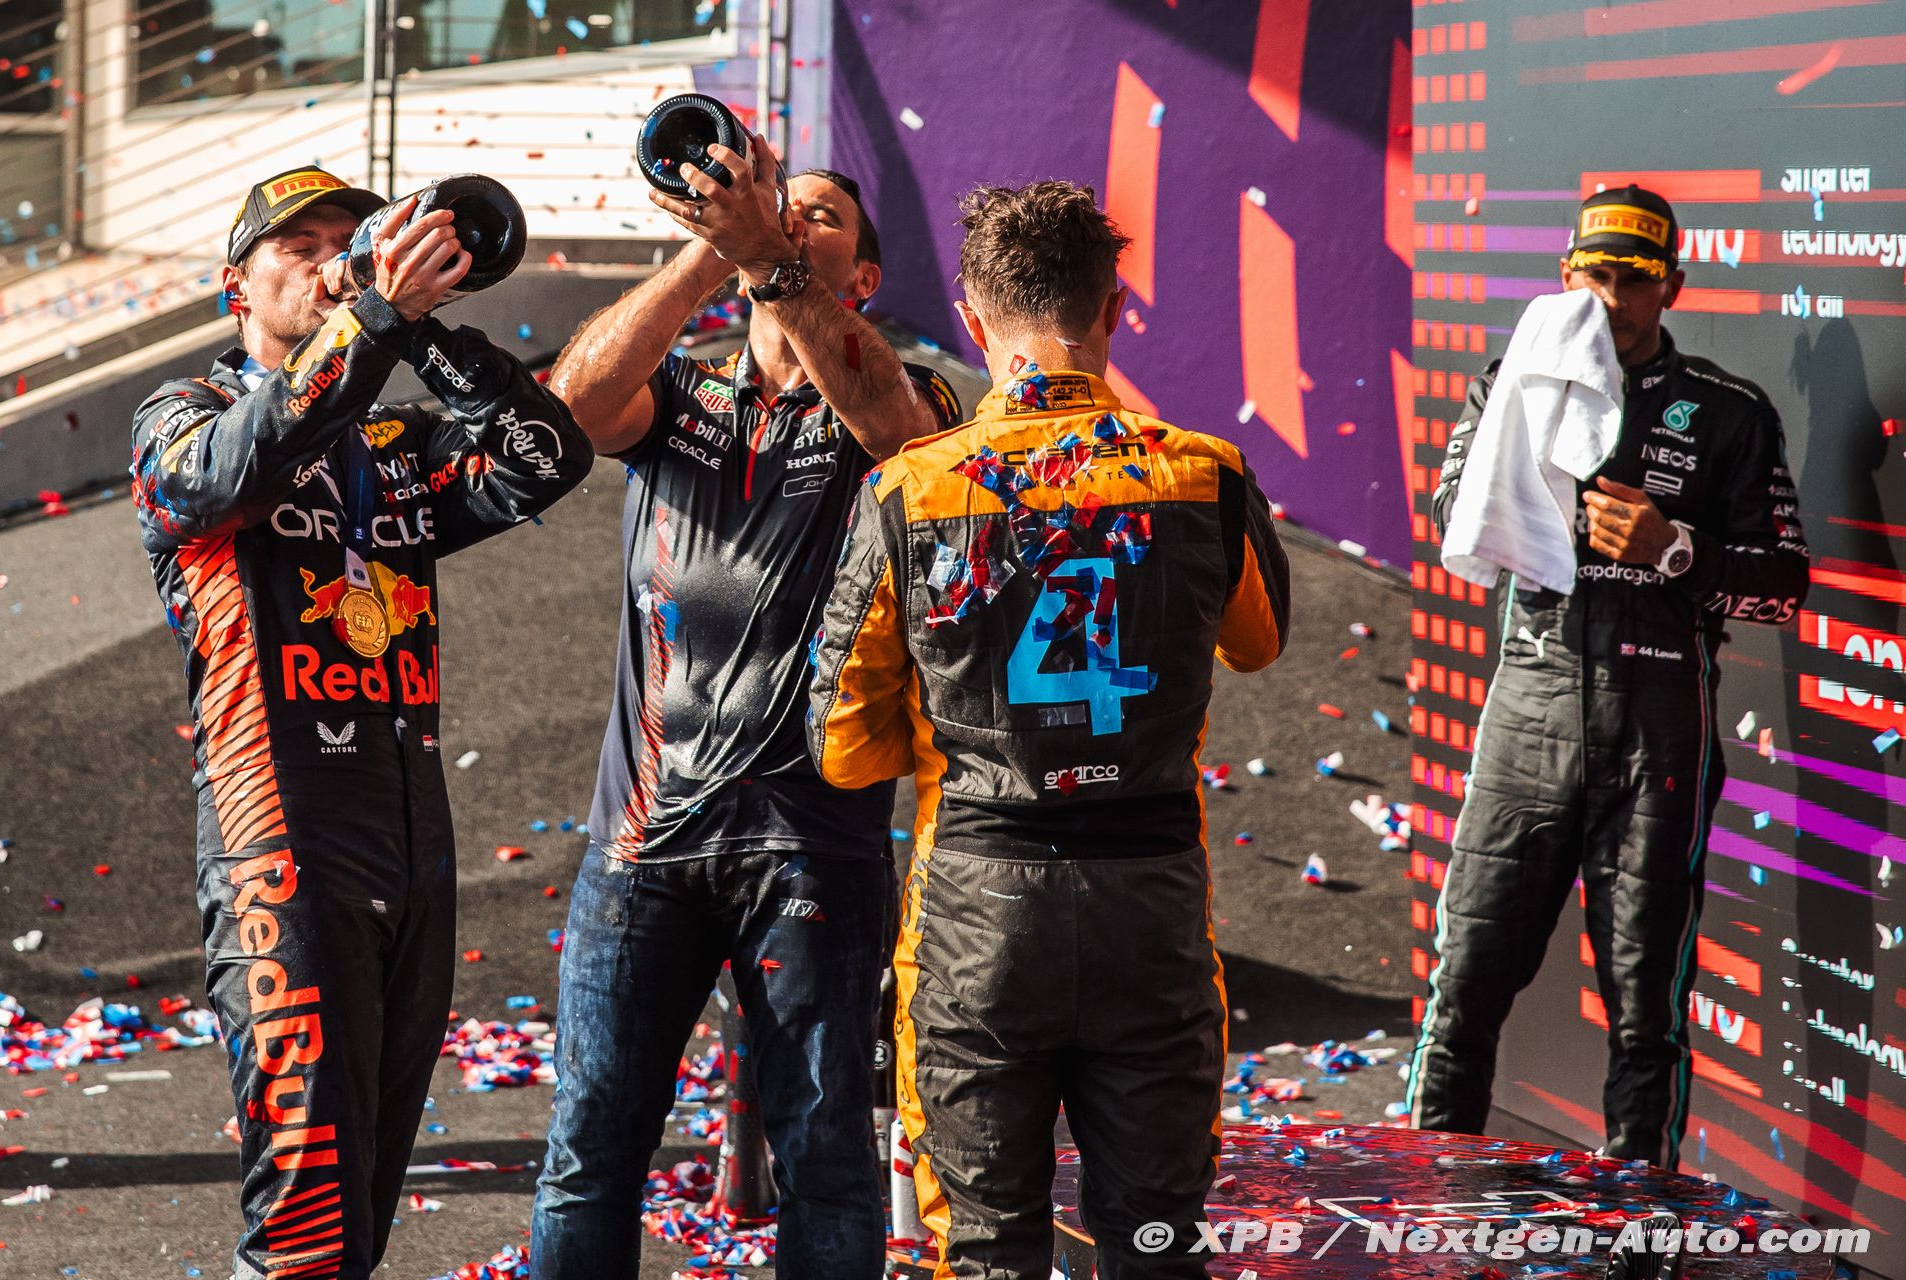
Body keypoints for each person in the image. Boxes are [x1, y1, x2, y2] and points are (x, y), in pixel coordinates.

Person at [809, 180, 1292, 1280]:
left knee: (985, 1249)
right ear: (1113, 308)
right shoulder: (1205, 473)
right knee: (1158, 1240)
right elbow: (1258, 644)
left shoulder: (911, 488)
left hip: (979, 909)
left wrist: (966, 722)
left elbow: (838, 744)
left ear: (972, 321)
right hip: (1151, 897)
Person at [129, 164, 592, 1277]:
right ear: (235, 287)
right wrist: (374, 315)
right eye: (302, 248)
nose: (331, 260)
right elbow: (232, 472)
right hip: (279, 833)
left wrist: (424, 329)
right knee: (305, 1212)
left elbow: (548, 459)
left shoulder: (389, 447)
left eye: (349, 239)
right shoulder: (179, 416)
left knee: (366, 1198)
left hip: (412, 834)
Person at [529, 135, 959, 1277]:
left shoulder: (905, 386)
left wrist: (771, 257)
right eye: (781, 204)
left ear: (865, 275)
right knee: (589, 1151)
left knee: (826, 1157)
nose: (791, 217)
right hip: (643, 837)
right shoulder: (686, 388)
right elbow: (573, 405)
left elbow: (901, 436)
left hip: (812, 839)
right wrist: (709, 251)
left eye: (821, 218)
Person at [1407, 185, 1809, 1167]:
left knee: (1646, 1016)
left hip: (1659, 735)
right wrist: (1526, 479)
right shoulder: (1513, 383)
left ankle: (1642, 1231)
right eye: (1596, 274)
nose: (1613, 298)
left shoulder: (1729, 411)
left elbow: (1785, 586)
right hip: (1529, 715)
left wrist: (1676, 548)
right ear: (1565, 276)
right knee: (1462, 992)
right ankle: (1419, 1216)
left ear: (1673, 286)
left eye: (1636, 279)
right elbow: (1453, 516)